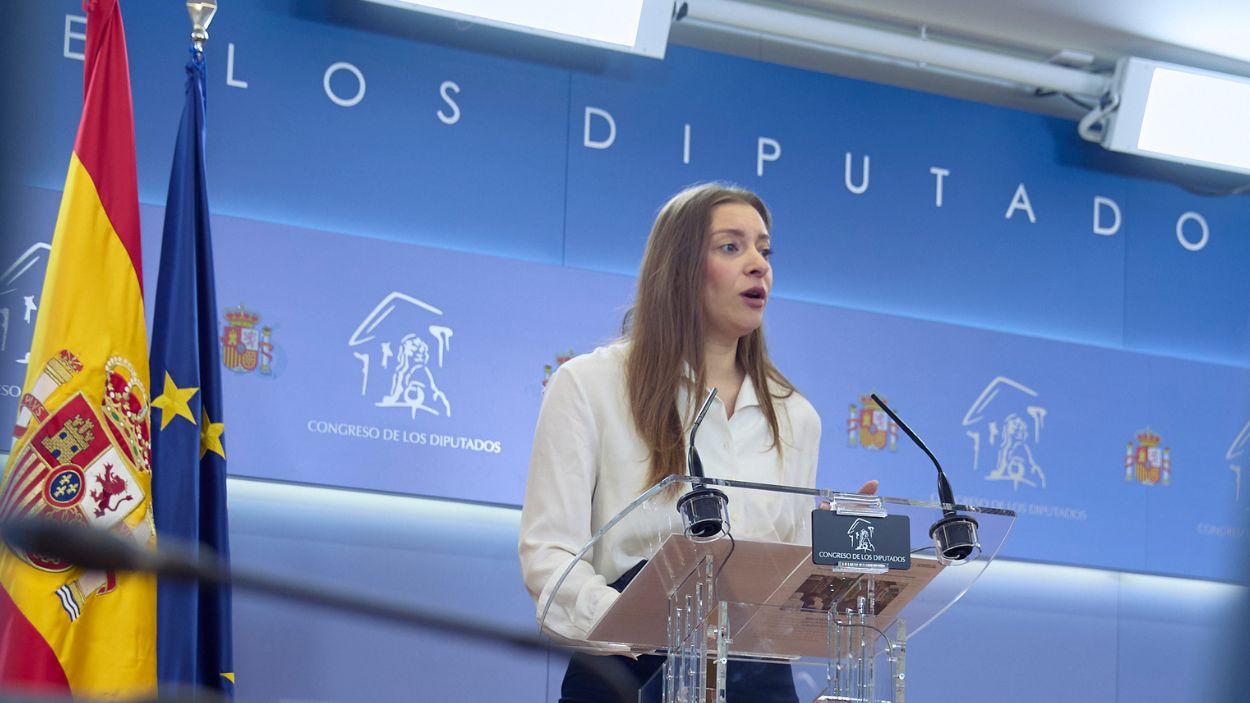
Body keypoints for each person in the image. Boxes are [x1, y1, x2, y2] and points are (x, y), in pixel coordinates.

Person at [518, 183, 876, 702]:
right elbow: (549, 556)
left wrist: (833, 562)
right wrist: (634, 624)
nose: (758, 265)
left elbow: (783, 594)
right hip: (627, 672)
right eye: (731, 247)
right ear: (678, 267)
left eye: (765, 250)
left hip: (755, 680)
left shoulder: (797, 417)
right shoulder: (590, 385)